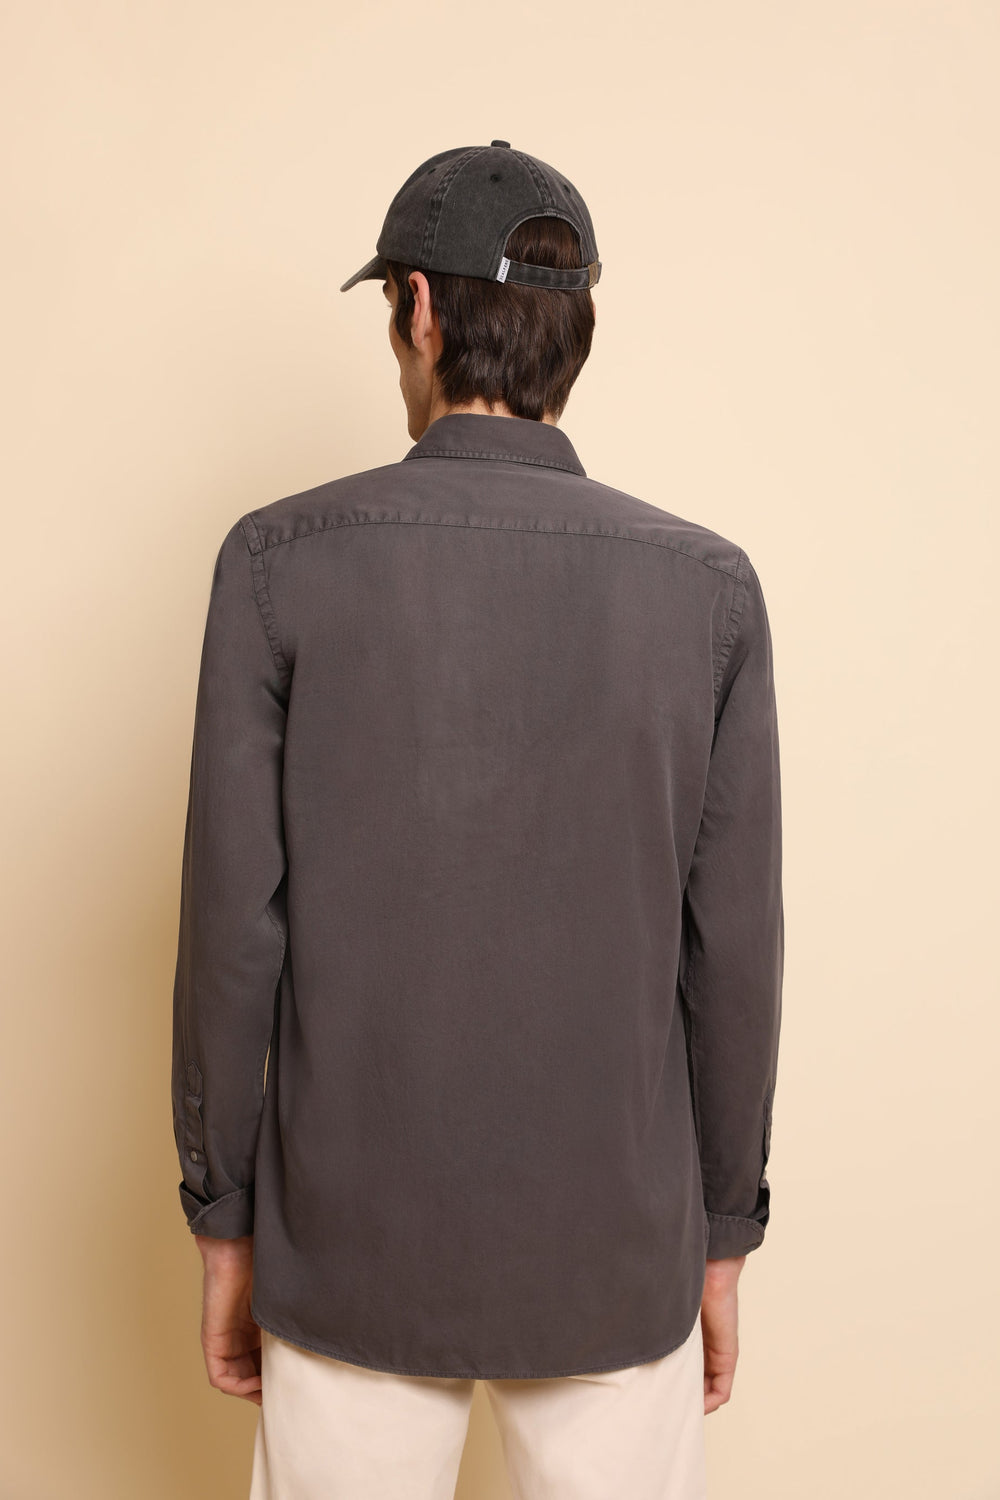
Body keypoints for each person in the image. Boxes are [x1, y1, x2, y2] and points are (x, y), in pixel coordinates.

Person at [170, 140, 784, 1500]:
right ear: (578, 331)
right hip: (616, 1250)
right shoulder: (708, 591)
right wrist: (721, 1237)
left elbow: (229, 934)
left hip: (349, 1245)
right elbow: (733, 954)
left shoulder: (276, 565)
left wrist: (225, 1220)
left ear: (419, 311)